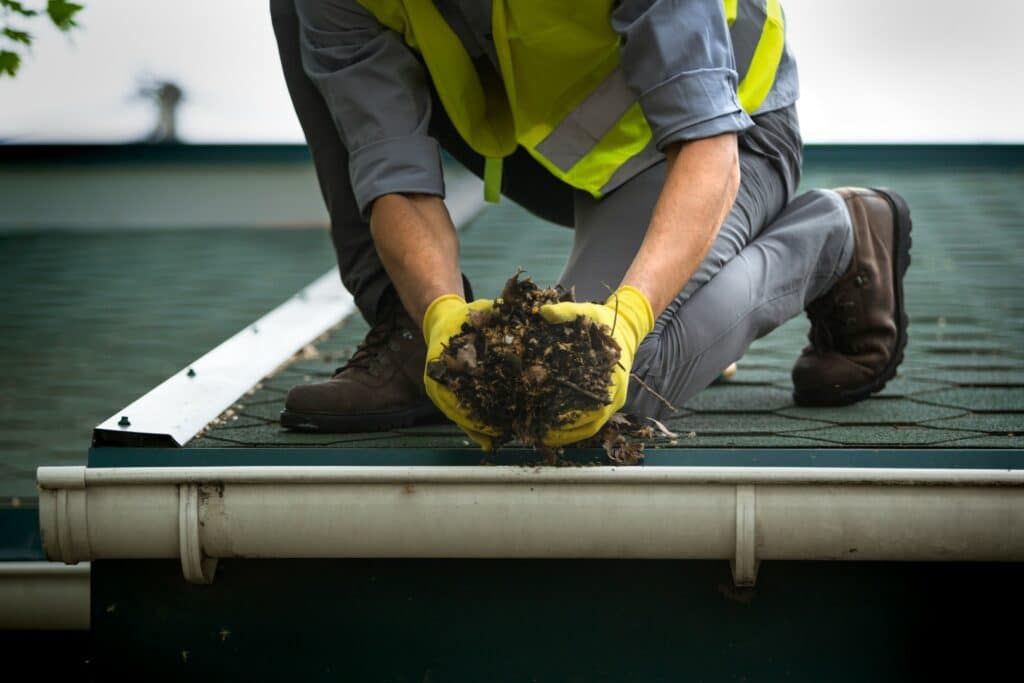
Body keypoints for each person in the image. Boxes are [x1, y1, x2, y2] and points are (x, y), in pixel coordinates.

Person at [270, 0, 912, 448]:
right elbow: (394, 174)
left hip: (730, 130)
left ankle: (839, 232)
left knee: (587, 386)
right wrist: (441, 321)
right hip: (557, 151)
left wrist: (629, 319)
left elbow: (706, 151)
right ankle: (409, 339)